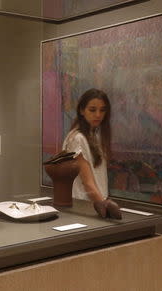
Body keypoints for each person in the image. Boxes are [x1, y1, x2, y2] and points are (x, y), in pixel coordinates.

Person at [62, 88, 121, 219]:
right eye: (92, 110)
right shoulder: (77, 138)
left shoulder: (96, 135)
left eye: (102, 110)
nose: (98, 115)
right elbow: (87, 183)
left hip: (96, 203)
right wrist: (104, 204)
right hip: (84, 205)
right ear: (82, 111)